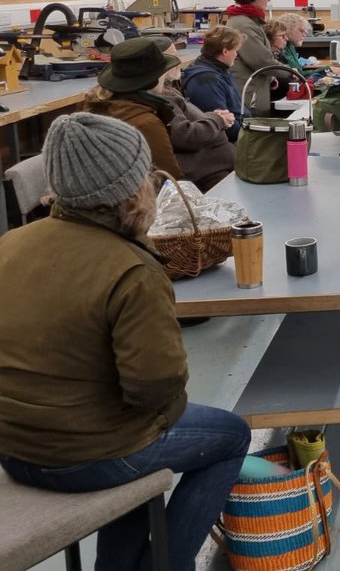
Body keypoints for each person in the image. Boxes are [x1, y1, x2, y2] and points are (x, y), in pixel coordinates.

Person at [0, 113, 251, 571]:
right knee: (230, 436)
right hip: (82, 457)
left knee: (137, 441)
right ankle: (168, 563)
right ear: (133, 187)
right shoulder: (132, 270)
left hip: (14, 449)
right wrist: (152, 426)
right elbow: (154, 388)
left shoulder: (11, 244)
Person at [82, 37, 184, 181]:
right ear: (153, 79)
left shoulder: (96, 106)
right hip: (141, 200)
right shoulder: (146, 123)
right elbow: (170, 179)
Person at [150, 37, 236, 191]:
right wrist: (217, 120)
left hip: (216, 169)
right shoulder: (161, 97)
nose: (178, 60)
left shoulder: (168, 89)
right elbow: (185, 135)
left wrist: (211, 116)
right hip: (204, 177)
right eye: (172, 55)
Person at [225, 0, 290, 115]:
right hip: (250, 99)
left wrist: (270, 78)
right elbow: (262, 62)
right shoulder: (243, 24)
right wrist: (289, 72)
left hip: (255, 92)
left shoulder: (249, 21)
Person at [182, 26, 246, 143]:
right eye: (235, 50)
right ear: (225, 51)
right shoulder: (206, 80)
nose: (236, 55)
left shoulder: (220, 71)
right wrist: (248, 132)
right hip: (232, 142)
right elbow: (224, 125)